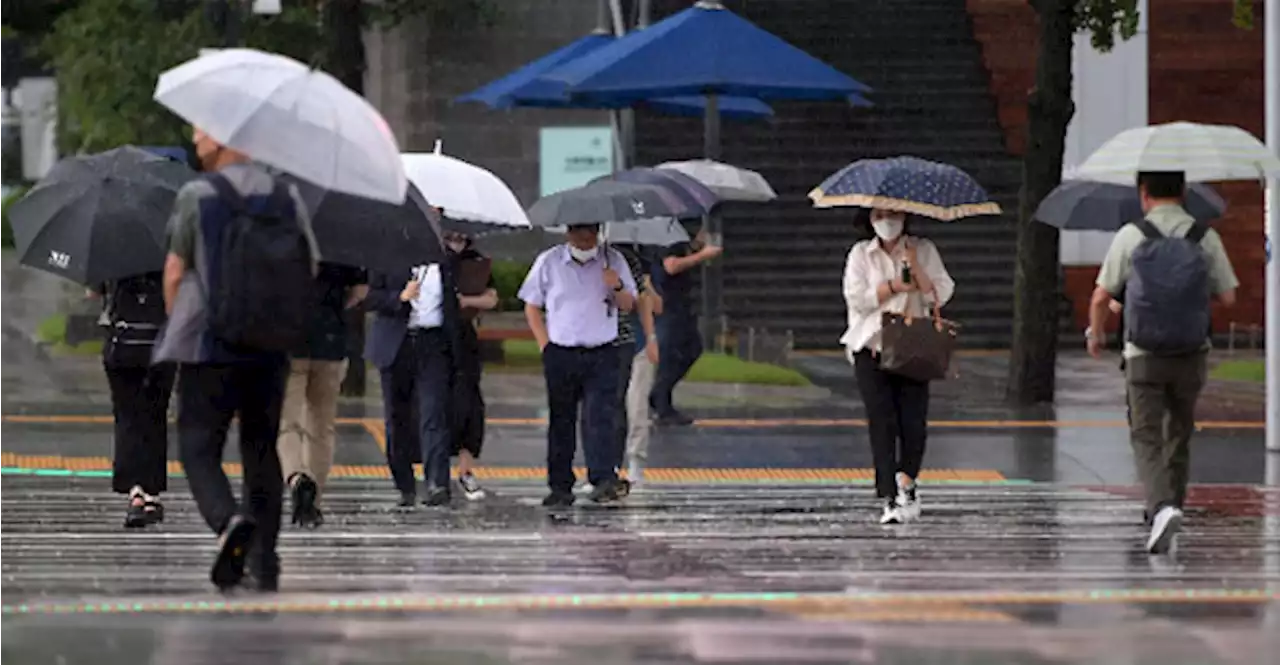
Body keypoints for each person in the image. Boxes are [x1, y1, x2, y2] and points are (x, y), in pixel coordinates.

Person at [155, 127, 320, 591]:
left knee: (198, 444)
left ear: (223, 139)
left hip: (210, 343)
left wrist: (180, 322)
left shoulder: (197, 195)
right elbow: (308, 265)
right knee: (261, 448)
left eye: (200, 130)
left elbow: (174, 272)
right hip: (270, 344)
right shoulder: (287, 197)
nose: (193, 138)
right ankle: (265, 561)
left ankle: (228, 522)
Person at [1087, 171, 1238, 554]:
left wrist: (1097, 333)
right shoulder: (1204, 237)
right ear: (1183, 193)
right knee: (1179, 432)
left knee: (1146, 435)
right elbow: (1230, 298)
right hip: (1191, 352)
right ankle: (1174, 502)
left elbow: (1101, 296)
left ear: (1144, 193)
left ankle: (1161, 506)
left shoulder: (1131, 236)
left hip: (1143, 354)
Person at [840, 208, 954, 525]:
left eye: (893, 214)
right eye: (879, 214)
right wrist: (893, 286)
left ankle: (908, 481)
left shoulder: (924, 249)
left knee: (913, 421)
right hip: (871, 346)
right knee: (881, 421)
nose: (887, 220)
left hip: (911, 347)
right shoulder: (861, 254)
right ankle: (888, 495)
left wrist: (915, 267)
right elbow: (857, 298)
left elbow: (941, 293)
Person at [519, 224, 637, 506]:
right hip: (561, 351)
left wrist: (616, 284)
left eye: (590, 232)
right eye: (578, 232)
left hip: (602, 351)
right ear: (567, 233)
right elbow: (532, 305)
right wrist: (544, 344)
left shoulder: (614, 260)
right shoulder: (549, 261)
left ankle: (603, 478)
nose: (585, 238)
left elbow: (628, 304)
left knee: (600, 417)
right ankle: (560, 485)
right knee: (561, 420)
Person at [365, 244, 462, 509]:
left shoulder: (447, 259)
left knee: (434, 413)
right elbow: (369, 297)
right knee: (397, 418)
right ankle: (405, 484)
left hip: (434, 342)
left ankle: (437, 483)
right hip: (397, 343)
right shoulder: (386, 255)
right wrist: (400, 298)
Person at [277, 262, 367, 528]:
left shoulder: (281, 232)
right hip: (331, 341)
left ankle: (296, 479)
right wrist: (334, 305)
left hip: (288, 341)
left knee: (286, 424)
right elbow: (361, 291)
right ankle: (313, 501)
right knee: (322, 427)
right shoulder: (343, 239)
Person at [90, 273, 175, 528]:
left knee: (127, 416)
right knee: (155, 414)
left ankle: (135, 492)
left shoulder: (112, 248)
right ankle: (151, 493)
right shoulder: (169, 244)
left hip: (122, 346)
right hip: (161, 344)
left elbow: (93, 292)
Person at [444, 229, 499, 500]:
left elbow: (491, 297)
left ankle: (466, 470)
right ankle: (436, 471)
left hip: (466, 341)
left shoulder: (475, 261)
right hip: (436, 339)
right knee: (437, 405)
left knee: (470, 406)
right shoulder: (430, 256)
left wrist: (465, 301)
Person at [649, 229, 722, 426]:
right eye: (700, 231)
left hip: (681, 305)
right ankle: (662, 404)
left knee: (692, 349)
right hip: (669, 305)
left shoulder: (681, 243)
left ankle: (659, 394)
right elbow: (671, 266)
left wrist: (695, 251)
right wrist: (702, 255)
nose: (703, 234)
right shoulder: (671, 240)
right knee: (670, 354)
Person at [619, 245, 661, 484]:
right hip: (602, 343)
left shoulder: (637, 260)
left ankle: (636, 460)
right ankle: (605, 466)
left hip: (636, 342)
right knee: (605, 409)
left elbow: (654, 304)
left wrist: (651, 337)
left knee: (636, 405)